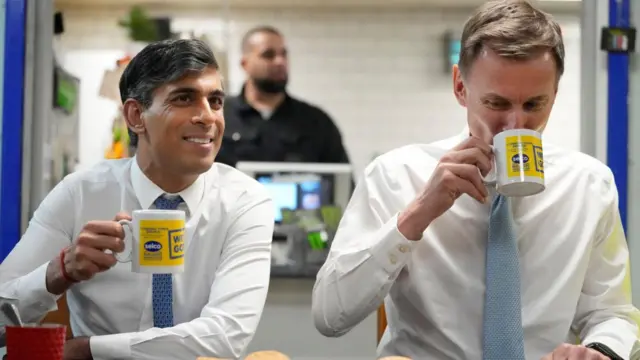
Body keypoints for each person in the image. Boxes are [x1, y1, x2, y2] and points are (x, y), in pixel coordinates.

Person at [311, 1, 639, 360]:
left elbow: (613, 313)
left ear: (555, 94)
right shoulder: (396, 175)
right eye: (497, 103)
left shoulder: (589, 185)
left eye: (534, 104)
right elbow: (330, 316)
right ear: (460, 87)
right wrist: (416, 215)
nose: (515, 126)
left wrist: (599, 350)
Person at [0, 39, 274, 360]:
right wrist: (59, 272)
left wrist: (86, 349)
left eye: (215, 101)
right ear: (135, 116)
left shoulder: (245, 200)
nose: (207, 116)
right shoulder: (80, 193)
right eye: (184, 98)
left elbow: (226, 335)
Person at [217, 25, 350, 167]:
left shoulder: (316, 122)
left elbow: (342, 183)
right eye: (268, 55)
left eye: (283, 54)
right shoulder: (220, 116)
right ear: (245, 64)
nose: (280, 62)